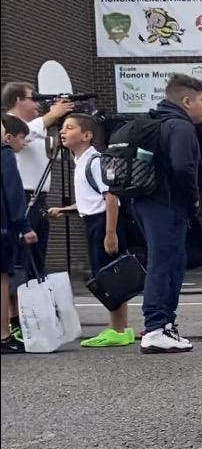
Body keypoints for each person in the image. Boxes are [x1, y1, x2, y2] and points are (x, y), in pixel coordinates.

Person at [43, 114, 132, 346]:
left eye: (70, 128)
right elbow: (90, 200)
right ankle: (122, 328)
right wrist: (65, 209)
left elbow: (110, 197)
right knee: (111, 276)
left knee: (111, 277)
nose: (63, 132)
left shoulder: (95, 161)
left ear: (87, 135)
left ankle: (118, 331)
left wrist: (109, 232)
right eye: (62, 128)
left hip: (103, 223)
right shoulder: (80, 161)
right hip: (95, 221)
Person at [133, 73, 202, 353]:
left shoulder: (156, 122)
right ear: (186, 101)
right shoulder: (181, 127)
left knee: (163, 263)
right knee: (165, 264)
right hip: (168, 204)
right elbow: (182, 168)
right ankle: (156, 327)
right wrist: (194, 199)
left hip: (146, 201)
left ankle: (161, 325)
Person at [2, 83, 74, 278]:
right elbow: (25, 132)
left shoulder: (37, 129)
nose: (38, 105)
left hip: (39, 200)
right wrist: (52, 115)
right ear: (18, 100)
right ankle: (18, 305)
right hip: (21, 199)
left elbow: (52, 152)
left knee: (37, 258)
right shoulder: (7, 124)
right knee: (22, 260)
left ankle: (35, 303)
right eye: (33, 99)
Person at [1, 117, 39, 354]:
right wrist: (24, 226)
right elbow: (12, 191)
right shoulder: (4, 153)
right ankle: (3, 335)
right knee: (2, 277)